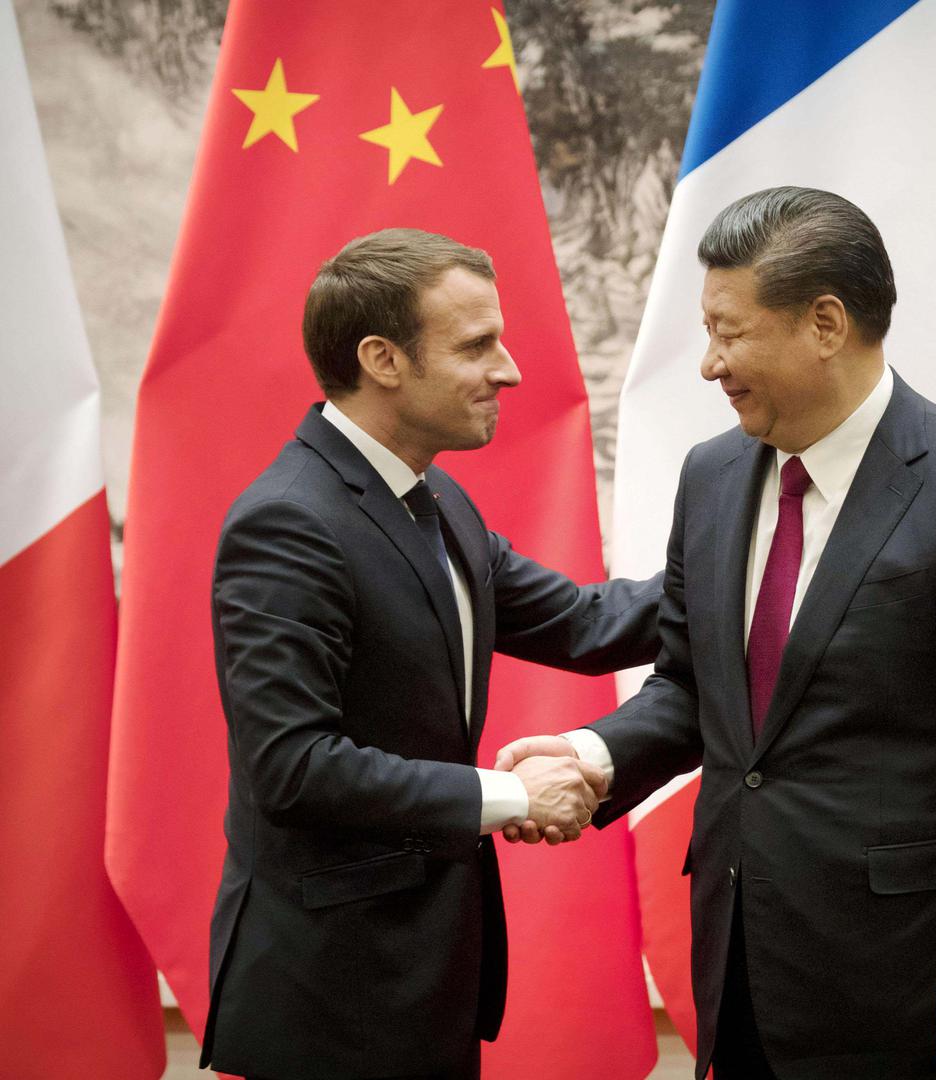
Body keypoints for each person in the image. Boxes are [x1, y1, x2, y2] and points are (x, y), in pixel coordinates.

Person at [500, 188, 936, 1078]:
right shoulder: (714, 474)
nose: (709, 364)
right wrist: (595, 755)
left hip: (922, 982)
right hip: (744, 967)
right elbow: (697, 686)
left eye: (729, 333)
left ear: (825, 322)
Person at [199, 228, 662, 1080]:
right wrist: (510, 793)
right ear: (383, 359)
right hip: (331, 1001)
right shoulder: (288, 523)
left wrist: (762, 557)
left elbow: (589, 624)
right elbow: (293, 768)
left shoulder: (432, 494)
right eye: (477, 345)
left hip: (424, 978)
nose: (510, 369)